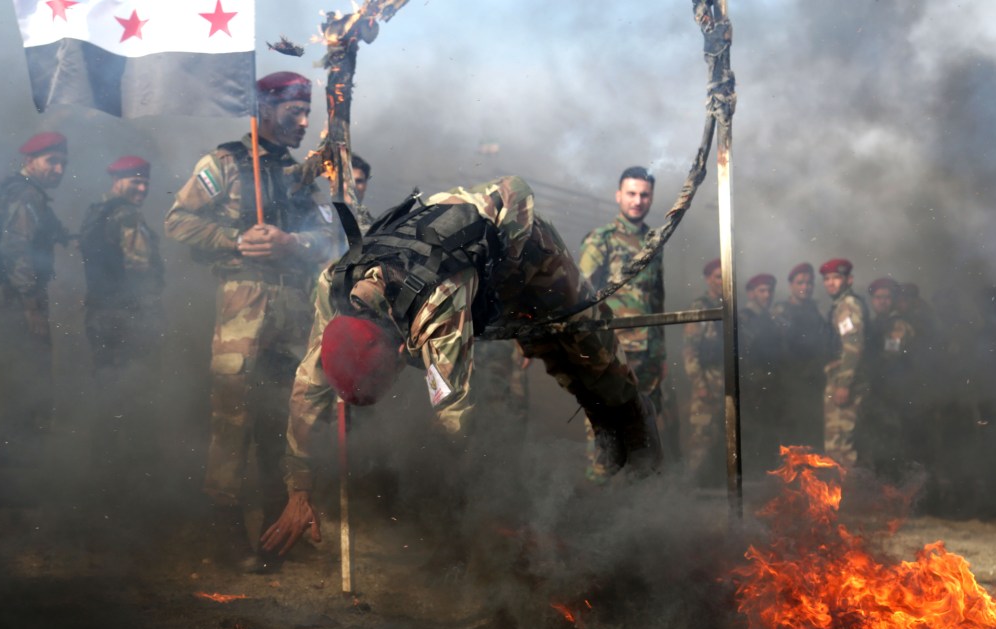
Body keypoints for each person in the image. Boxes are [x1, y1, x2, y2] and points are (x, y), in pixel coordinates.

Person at [263, 176, 661, 555]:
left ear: (403, 353)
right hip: (469, 273)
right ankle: (604, 427)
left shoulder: (436, 311)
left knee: (588, 346)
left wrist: (476, 503)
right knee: (551, 354)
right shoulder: (335, 284)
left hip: (527, 253)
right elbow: (306, 390)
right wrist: (299, 488)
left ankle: (635, 423)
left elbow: (456, 417)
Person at [164, 71, 343, 570]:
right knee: (233, 417)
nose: (305, 123)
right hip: (243, 305)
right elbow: (176, 221)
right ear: (264, 109)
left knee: (282, 419)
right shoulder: (222, 163)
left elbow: (330, 239)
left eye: (308, 113)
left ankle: (275, 534)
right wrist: (234, 240)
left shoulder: (301, 174)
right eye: (294, 113)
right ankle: (223, 535)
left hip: (293, 306)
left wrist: (293, 243)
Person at [578, 166, 677, 481]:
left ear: (651, 198)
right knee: (605, 435)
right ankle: (601, 510)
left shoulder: (654, 241)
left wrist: (661, 355)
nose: (637, 200)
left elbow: (656, 301)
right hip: (613, 353)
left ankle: (637, 517)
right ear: (618, 195)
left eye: (644, 194)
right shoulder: (601, 240)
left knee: (647, 436)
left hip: (648, 357)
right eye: (631, 193)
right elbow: (581, 297)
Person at [0, 131, 70, 467]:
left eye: (63, 163)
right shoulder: (26, 196)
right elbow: (16, 249)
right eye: (52, 161)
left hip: (8, 297)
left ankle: (17, 474)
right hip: (17, 300)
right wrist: (32, 306)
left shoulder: (20, 192)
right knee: (27, 386)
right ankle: (16, 480)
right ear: (30, 161)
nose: (59, 170)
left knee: (21, 385)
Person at [80, 155, 165, 471]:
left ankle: (102, 468)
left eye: (145, 182)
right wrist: (151, 317)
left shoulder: (96, 213)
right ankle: (131, 473)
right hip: (127, 319)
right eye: (135, 181)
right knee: (134, 393)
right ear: (117, 181)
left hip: (99, 315)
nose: (142, 188)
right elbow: (140, 270)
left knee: (107, 389)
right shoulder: (128, 216)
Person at [856, 277, 915, 480]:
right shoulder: (872, 324)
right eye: (878, 297)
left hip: (891, 395)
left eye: (887, 297)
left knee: (890, 447)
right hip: (873, 394)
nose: (882, 301)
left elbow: (891, 357)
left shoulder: (898, 325)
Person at [771, 262, 829, 450]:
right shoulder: (781, 311)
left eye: (809, 283)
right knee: (791, 439)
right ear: (791, 285)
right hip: (789, 384)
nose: (805, 287)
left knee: (812, 436)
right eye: (800, 282)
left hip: (813, 383)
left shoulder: (816, 311)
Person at [820, 258, 868, 468]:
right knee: (837, 444)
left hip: (844, 380)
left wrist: (844, 384)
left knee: (841, 445)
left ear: (849, 280)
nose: (830, 283)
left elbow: (853, 346)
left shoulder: (848, 306)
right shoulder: (840, 305)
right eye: (827, 279)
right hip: (839, 377)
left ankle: (848, 496)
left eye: (836, 278)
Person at [682, 259, 725, 485]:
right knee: (701, 436)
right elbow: (690, 351)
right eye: (718, 276)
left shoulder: (727, 304)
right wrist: (699, 385)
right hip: (706, 382)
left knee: (722, 437)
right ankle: (693, 487)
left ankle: (713, 485)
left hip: (723, 381)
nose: (722, 280)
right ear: (709, 279)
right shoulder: (700, 306)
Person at [738, 272, 781, 477]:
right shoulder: (746, 318)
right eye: (762, 290)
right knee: (752, 434)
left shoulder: (768, 318)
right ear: (751, 293)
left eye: (769, 290)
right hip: (751, 386)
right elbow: (744, 356)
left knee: (766, 434)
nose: (767, 295)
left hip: (769, 387)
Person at [351, 153, 374, 231]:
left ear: (365, 185)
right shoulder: (319, 220)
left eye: (358, 181)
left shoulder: (375, 227)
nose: (353, 186)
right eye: (347, 181)